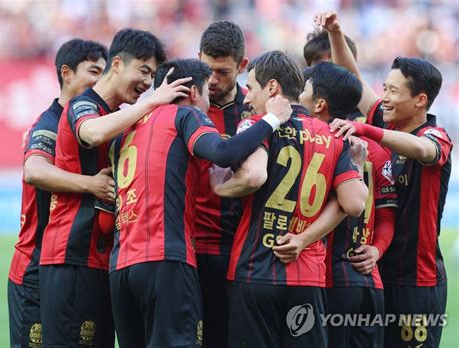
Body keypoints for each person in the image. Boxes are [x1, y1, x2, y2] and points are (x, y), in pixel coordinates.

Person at [108, 58, 292, 348]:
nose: (209, 99)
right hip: (165, 257)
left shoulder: (125, 129)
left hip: (120, 266)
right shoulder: (185, 116)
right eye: (207, 90)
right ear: (194, 92)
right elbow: (222, 152)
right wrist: (272, 119)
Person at [39, 28, 192, 347]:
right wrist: (152, 104)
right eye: (144, 71)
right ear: (118, 64)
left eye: (152, 75)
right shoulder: (84, 104)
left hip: (105, 257)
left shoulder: (120, 116)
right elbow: (92, 134)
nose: (148, 84)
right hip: (72, 254)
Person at [210, 50, 368, 348]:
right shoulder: (332, 135)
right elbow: (354, 204)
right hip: (306, 275)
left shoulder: (259, 125)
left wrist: (218, 186)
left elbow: (252, 176)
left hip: (255, 268)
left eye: (252, 88)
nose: (246, 98)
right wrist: (304, 238)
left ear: (272, 88)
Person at [317, 11, 453, 347]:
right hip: (376, 270)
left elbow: (422, 149)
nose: (385, 97)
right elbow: (353, 81)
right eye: (385, 89)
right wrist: (335, 33)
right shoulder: (385, 119)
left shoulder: (436, 136)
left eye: (394, 91)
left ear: (420, 100)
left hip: (417, 281)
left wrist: (367, 129)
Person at [7, 38, 111, 348]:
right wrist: (91, 184)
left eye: (104, 74)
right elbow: (35, 171)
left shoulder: (93, 125)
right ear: (66, 73)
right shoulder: (49, 123)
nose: (99, 82)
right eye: (93, 71)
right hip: (37, 267)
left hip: (73, 264)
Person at [302, 62, 398, 348]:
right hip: (370, 284)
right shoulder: (377, 151)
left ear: (321, 102)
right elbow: (387, 216)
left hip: (331, 281)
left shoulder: (319, 143)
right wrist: (377, 250)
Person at [196, 20, 250, 348]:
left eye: (223, 72)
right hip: (191, 250)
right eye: (207, 70)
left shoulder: (253, 111)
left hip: (240, 253)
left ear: (242, 66)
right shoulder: (182, 107)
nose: (213, 80)